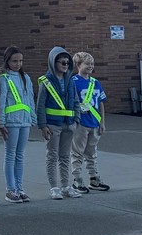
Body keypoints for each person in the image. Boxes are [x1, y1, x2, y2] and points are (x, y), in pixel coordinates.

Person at [36, 47, 77, 200]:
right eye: (62, 62)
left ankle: (66, 186)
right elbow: (40, 105)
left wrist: (76, 121)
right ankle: (54, 187)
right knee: (52, 156)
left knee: (65, 156)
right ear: (54, 62)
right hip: (52, 125)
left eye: (68, 62)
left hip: (68, 124)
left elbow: (76, 101)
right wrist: (42, 125)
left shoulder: (70, 81)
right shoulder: (45, 81)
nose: (65, 65)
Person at [0, 46, 36, 203]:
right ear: (7, 61)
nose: (18, 64)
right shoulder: (3, 78)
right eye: (14, 61)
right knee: (10, 154)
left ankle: (19, 188)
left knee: (20, 155)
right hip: (11, 121)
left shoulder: (25, 77)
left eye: (20, 61)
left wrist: (32, 118)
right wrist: (1, 122)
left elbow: (30, 99)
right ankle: (10, 189)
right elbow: (1, 102)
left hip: (24, 121)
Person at [70, 51, 110, 194]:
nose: (90, 66)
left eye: (92, 64)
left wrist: (102, 122)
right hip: (81, 123)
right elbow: (70, 101)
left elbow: (100, 103)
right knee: (77, 152)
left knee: (92, 153)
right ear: (78, 65)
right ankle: (77, 179)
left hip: (94, 122)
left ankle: (94, 178)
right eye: (87, 64)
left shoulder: (95, 83)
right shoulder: (73, 82)